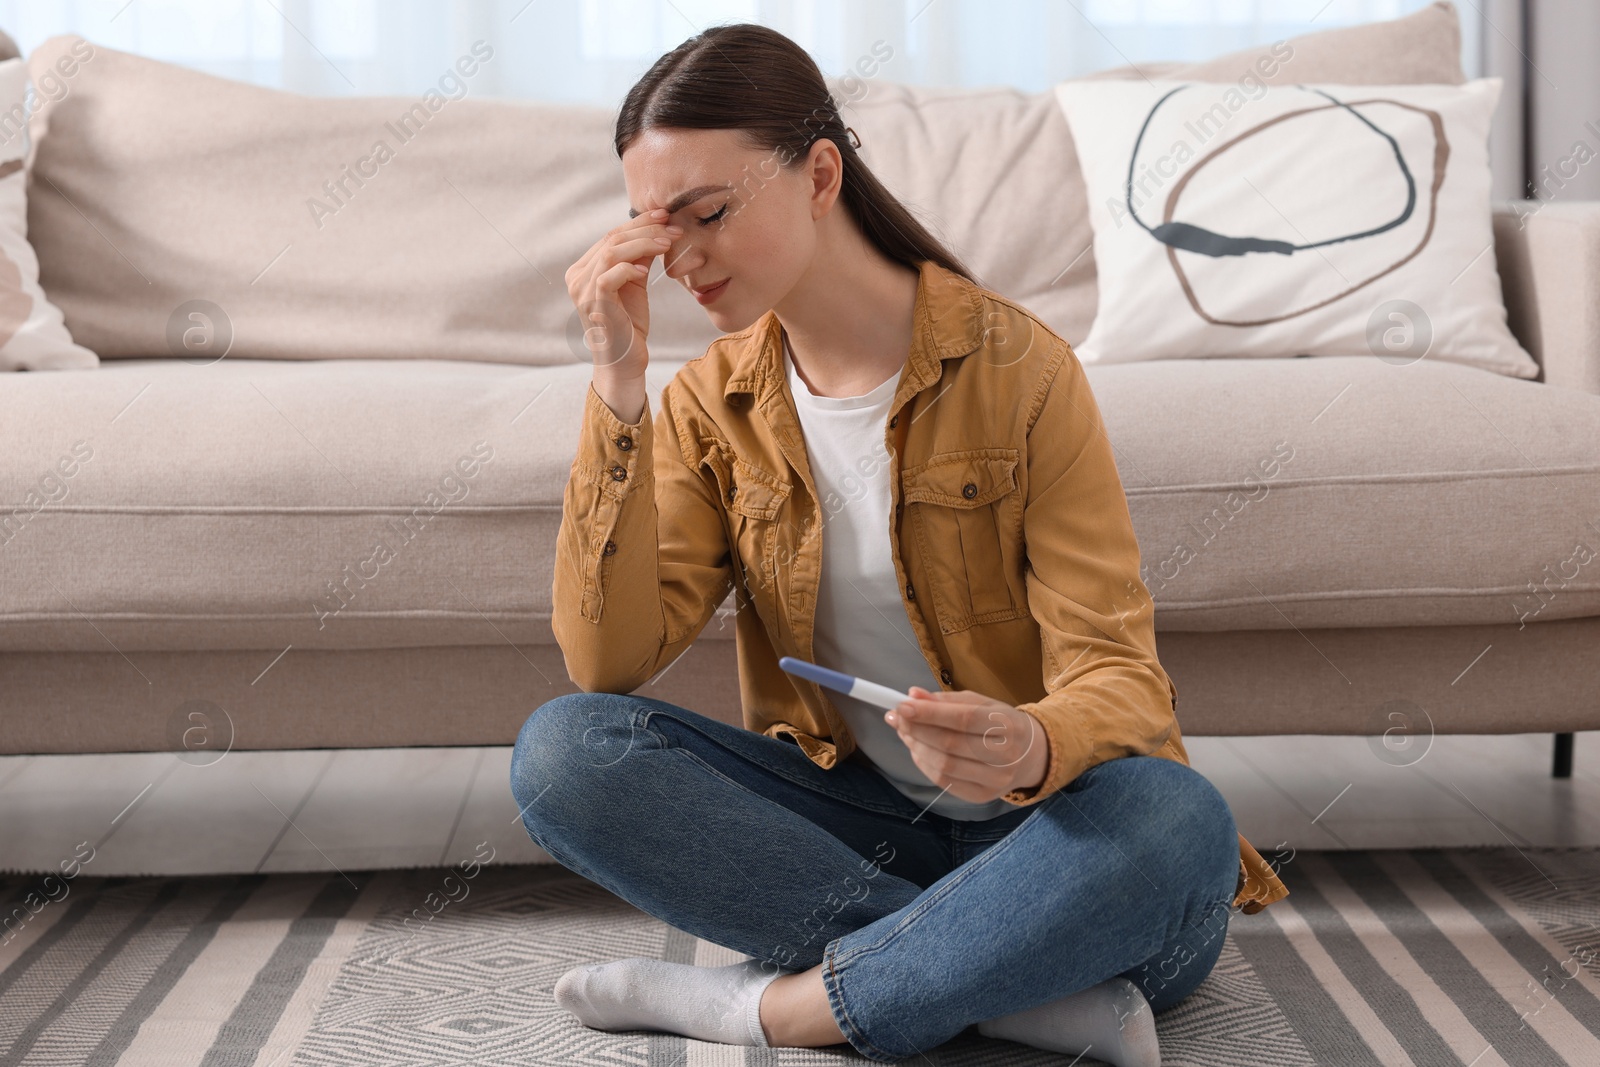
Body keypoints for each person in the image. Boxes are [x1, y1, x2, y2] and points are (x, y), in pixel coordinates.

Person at [511, 22, 1288, 1066]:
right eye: (655, 226)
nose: (679, 257)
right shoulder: (707, 404)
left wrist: (1031, 742)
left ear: (820, 173)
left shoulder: (1019, 369)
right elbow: (607, 661)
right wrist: (616, 389)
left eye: (707, 213)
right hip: (863, 831)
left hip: (1047, 834)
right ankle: (996, 978)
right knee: (564, 752)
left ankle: (767, 1007)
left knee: (1174, 817)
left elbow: (1121, 680)